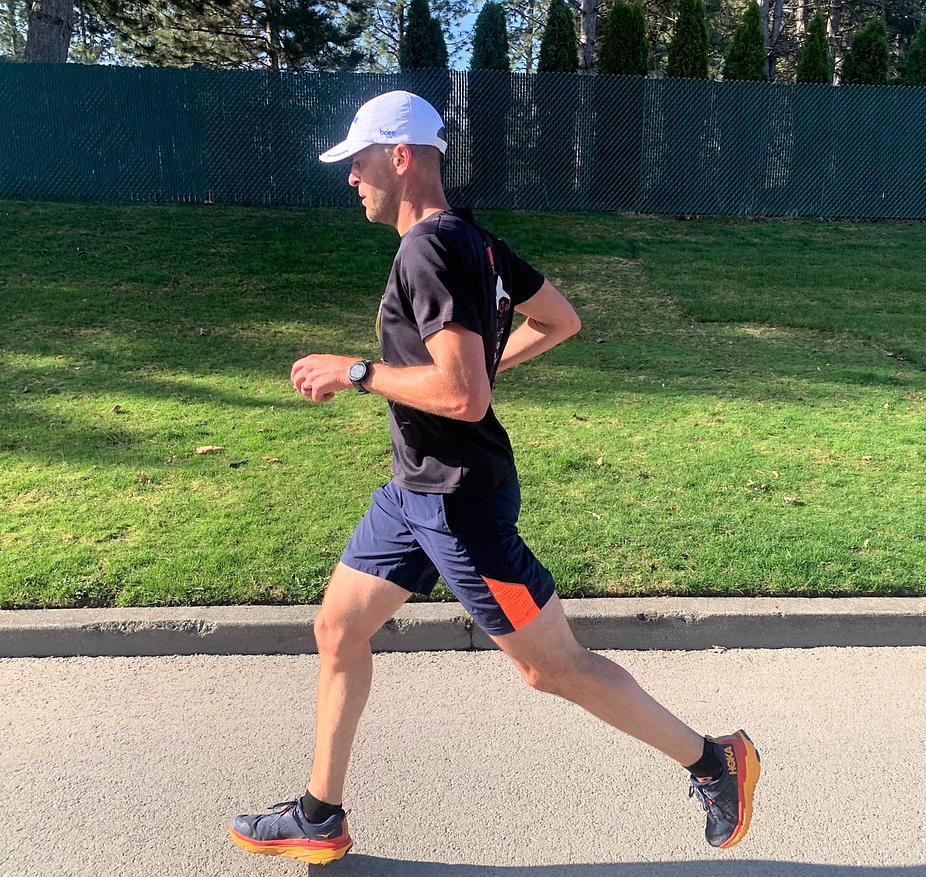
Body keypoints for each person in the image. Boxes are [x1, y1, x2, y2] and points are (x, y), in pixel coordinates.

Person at [228, 90, 761, 865]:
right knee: (338, 628)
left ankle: (715, 762)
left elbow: (462, 393)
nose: (351, 178)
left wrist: (358, 371)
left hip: (460, 506)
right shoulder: (475, 242)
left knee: (553, 668)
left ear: (401, 156)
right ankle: (319, 813)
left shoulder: (428, 249)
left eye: (360, 160)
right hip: (412, 494)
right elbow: (560, 321)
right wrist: (472, 372)